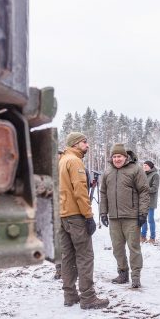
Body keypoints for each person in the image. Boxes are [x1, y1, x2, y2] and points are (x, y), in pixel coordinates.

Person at [58, 132, 109, 309]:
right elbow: (80, 192)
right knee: (85, 256)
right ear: (75, 144)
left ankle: (70, 295)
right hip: (76, 216)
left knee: (67, 256)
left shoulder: (62, 160)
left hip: (63, 215)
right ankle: (88, 298)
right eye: (84, 142)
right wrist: (89, 216)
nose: (87, 145)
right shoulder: (74, 161)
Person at [99, 143, 149, 289]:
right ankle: (122, 273)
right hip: (114, 218)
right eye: (114, 157)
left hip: (132, 217)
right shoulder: (108, 172)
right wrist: (103, 212)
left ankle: (135, 277)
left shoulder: (136, 170)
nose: (117, 159)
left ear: (125, 157)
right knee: (117, 248)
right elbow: (103, 193)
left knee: (134, 247)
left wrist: (143, 213)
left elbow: (144, 192)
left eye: (119, 156)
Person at [141, 160, 160, 243]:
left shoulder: (155, 175)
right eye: (143, 165)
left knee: (150, 220)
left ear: (150, 166)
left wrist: (145, 189)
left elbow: (154, 188)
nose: (144, 166)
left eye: (146, 165)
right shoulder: (143, 175)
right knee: (143, 219)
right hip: (142, 201)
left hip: (150, 201)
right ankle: (143, 236)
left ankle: (152, 238)